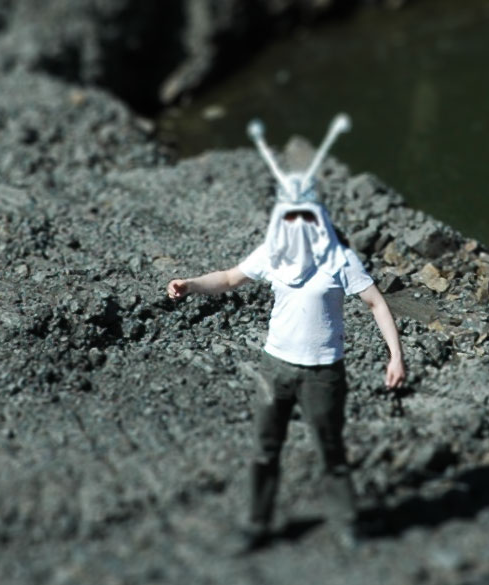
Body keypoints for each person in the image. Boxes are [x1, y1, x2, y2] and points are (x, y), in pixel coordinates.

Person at [166, 115, 405, 550]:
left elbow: (377, 303)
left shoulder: (339, 259)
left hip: (322, 373)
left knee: (330, 450)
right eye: (289, 214)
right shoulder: (272, 253)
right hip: (274, 367)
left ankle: (348, 523)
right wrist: (191, 284)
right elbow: (229, 278)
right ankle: (257, 525)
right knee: (264, 449)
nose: (296, 222)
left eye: (303, 214)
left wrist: (396, 356)